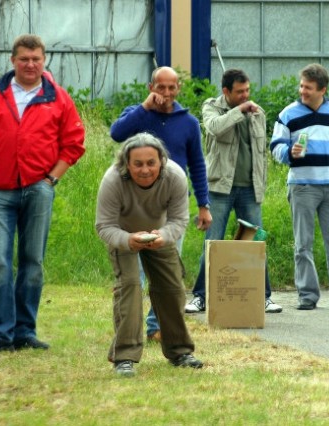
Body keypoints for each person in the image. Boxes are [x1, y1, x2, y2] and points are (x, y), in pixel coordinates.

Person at [0, 34, 86, 353]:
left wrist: (50, 180)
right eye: (24, 59)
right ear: (12, 61)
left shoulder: (58, 98)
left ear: (44, 60)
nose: (30, 64)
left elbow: (74, 143)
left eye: (36, 59)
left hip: (38, 189)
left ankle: (25, 332)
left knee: (32, 261)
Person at [110, 66, 212, 342]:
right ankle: (128, 328)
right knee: (136, 273)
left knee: (166, 270)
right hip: (133, 204)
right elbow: (117, 134)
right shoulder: (137, 114)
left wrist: (204, 204)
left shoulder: (188, 122)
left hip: (170, 206)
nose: (166, 94)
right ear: (150, 88)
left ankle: (156, 326)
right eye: (160, 88)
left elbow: (198, 165)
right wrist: (144, 108)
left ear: (178, 89)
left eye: (171, 88)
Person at [95, 133, 203, 377]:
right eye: (138, 164)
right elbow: (104, 225)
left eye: (151, 163)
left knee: (173, 288)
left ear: (161, 161)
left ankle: (180, 351)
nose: (145, 170)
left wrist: (164, 236)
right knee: (130, 285)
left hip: (159, 233)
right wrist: (127, 240)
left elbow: (178, 220)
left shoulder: (175, 176)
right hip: (122, 234)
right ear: (126, 164)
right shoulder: (113, 180)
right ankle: (125, 357)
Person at [269, 63, 329, 311]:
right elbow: (275, 147)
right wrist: (289, 153)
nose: (303, 91)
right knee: (303, 244)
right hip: (302, 187)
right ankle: (307, 297)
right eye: (302, 86)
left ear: (322, 89)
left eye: (308, 88)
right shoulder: (288, 114)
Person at [184, 68, 282, 315]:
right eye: (239, 92)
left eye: (247, 91)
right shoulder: (212, 107)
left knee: (254, 243)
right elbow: (215, 128)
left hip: (250, 188)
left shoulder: (257, 113)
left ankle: (263, 296)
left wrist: (262, 183)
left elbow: (260, 153)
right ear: (226, 91)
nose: (245, 96)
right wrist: (239, 111)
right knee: (213, 242)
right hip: (219, 187)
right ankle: (200, 296)